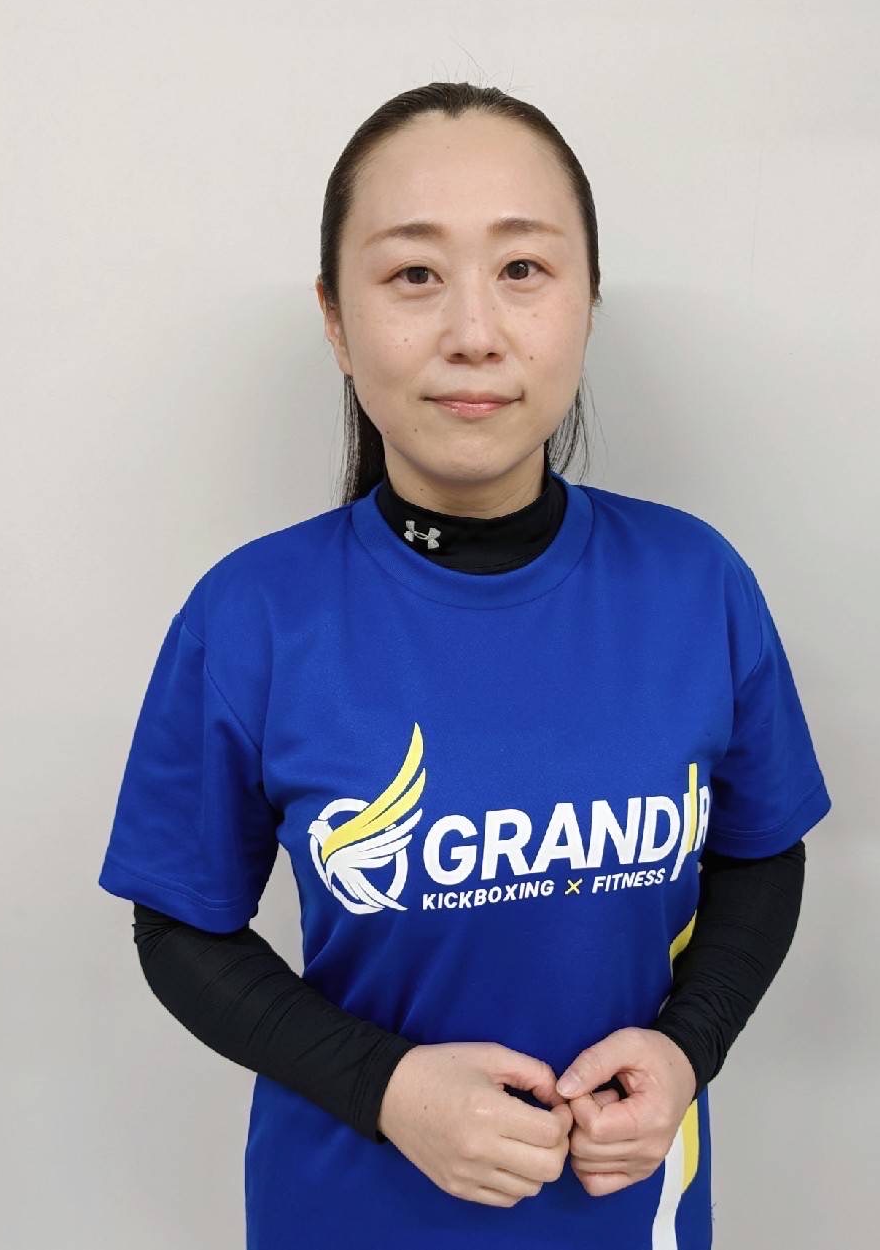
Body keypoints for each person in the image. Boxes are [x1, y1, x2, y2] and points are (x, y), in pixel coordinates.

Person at [98, 81, 832, 1249]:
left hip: (628, 1217)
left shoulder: (695, 584)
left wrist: (687, 1047)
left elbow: (761, 854)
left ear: (587, 300)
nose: (473, 331)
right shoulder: (253, 616)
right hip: (342, 1215)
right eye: (412, 274)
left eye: (523, 269)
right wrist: (385, 1087)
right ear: (337, 320)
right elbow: (180, 927)